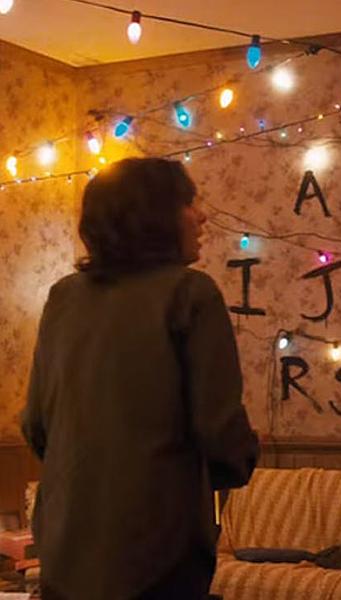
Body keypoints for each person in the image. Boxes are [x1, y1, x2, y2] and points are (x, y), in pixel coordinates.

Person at [21, 157, 260, 600]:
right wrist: (238, 462)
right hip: (155, 549)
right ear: (155, 215)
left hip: (65, 544)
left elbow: (36, 424)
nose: (202, 216)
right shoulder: (191, 292)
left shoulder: (63, 297)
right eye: (189, 203)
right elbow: (219, 429)